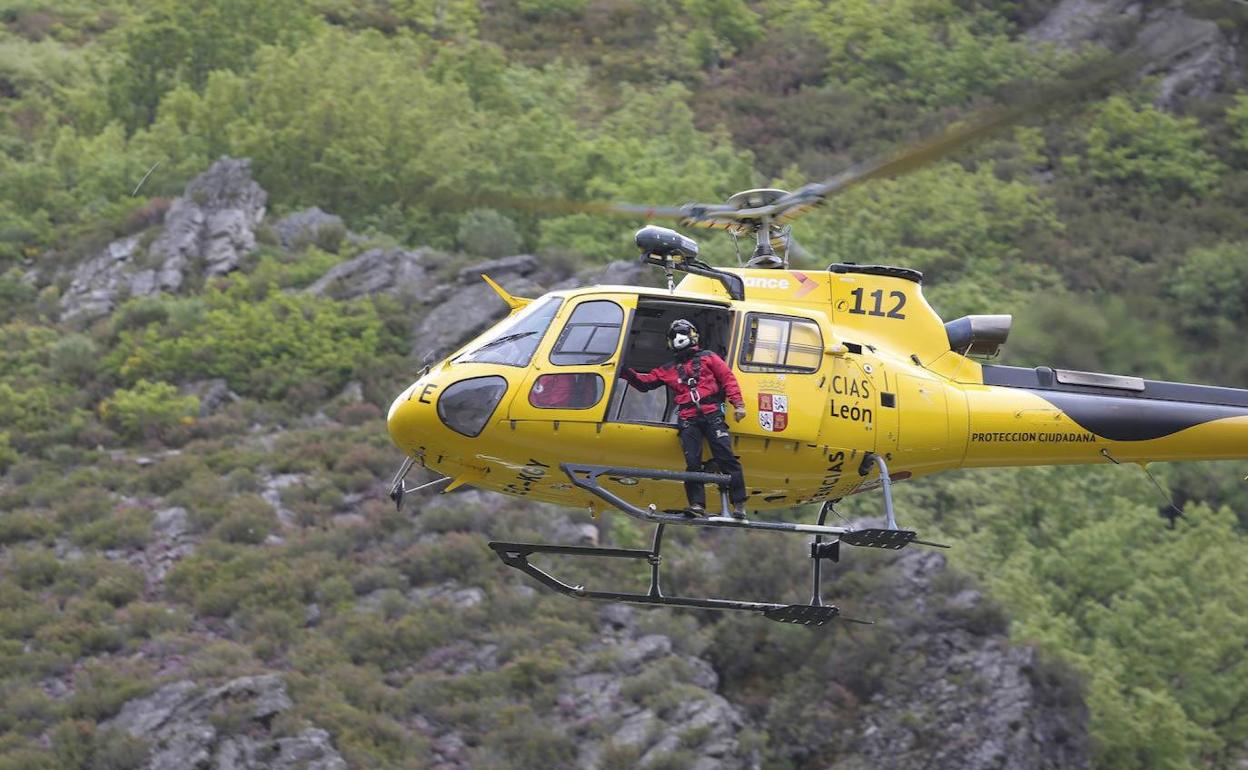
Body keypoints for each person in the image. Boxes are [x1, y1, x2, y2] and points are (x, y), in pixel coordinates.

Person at [622, 319, 749, 518]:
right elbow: (644, 383)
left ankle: (739, 503)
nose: (678, 338)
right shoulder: (668, 369)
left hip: (712, 415)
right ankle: (697, 504)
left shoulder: (709, 358)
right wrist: (622, 369)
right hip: (689, 419)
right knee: (692, 462)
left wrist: (738, 404)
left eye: (681, 333)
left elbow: (728, 379)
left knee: (726, 457)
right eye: (675, 335)